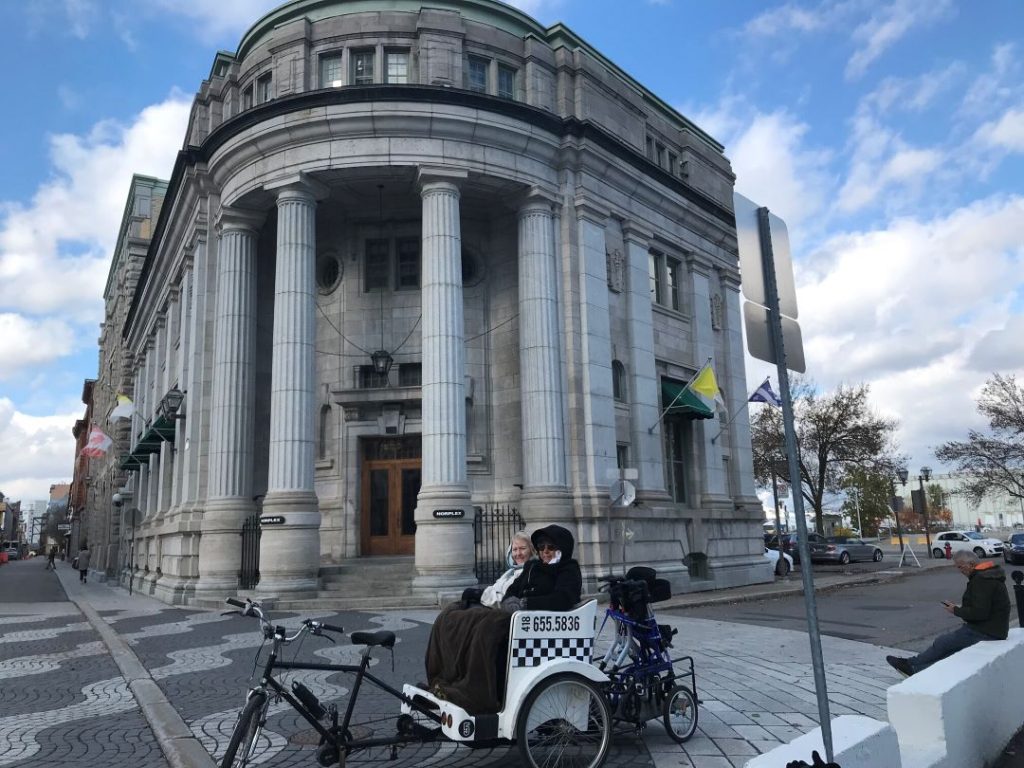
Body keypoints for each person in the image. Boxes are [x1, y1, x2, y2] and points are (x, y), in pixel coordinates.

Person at [424, 524, 581, 713]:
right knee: (454, 615)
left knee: (486, 628)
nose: (545, 552)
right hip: (515, 616)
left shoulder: (568, 569)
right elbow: (511, 591)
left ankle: (474, 692)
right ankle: (446, 678)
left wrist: (525, 603)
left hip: (533, 623)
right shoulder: (532, 566)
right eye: (541, 547)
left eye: (551, 547)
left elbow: (563, 598)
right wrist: (510, 601)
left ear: (562, 549)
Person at [886, 550, 1009, 676]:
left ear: (971, 564)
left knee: (943, 642)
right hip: (993, 629)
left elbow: (980, 613)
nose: (960, 570)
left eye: (960, 566)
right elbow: (984, 606)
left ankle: (911, 664)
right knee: (949, 650)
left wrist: (956, 610)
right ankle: (916, 669)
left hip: (985, 631)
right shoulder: (987, 576)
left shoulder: (982, 580)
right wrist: (961, 608)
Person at [461, 531, 534, 608]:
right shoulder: (510, 572)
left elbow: (508, 600)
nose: (518, 553)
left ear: (531, 550)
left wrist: (480, 595)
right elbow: (494, 589)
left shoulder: (531, 572)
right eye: (515, 549)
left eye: (522, 548)